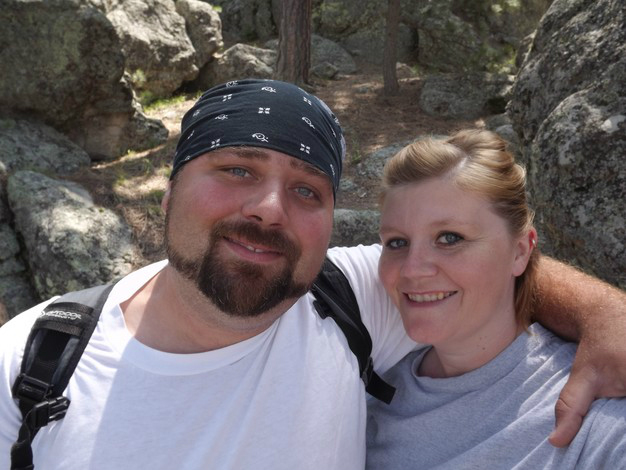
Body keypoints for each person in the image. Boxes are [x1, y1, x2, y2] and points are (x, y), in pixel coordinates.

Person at [0, 80, 624, 470]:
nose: (270, 209)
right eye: (238, 170)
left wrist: (608, 314)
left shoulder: (347, 297)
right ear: (168, 194)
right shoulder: (31, 363)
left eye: (306, 190)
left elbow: (487, 275)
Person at [366, 129, 626, 469]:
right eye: (397, 242)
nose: (412, 270)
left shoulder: (593, 407)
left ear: (520, 251)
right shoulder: (369, 389)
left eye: (449, 238)